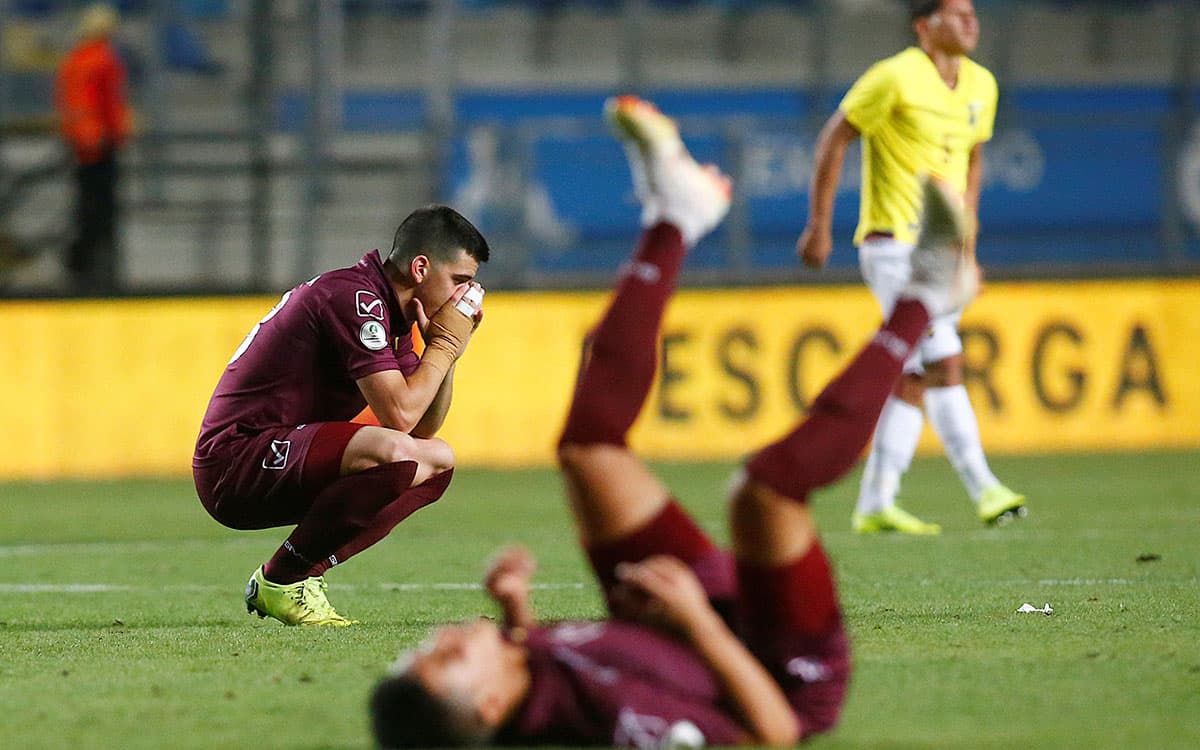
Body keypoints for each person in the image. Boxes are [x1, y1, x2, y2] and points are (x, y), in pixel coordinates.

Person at [368, 96, 979, 748]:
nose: (444, 638)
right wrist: (698, 623)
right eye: (447, 660)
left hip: (674, 618)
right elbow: (772, 733)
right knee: (763, 492)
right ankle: (927, 295)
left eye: (423, 648)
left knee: (587, 450)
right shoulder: (614, 724)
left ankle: (676, 215)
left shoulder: (513, 701)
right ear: (488, 704)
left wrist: (517, 613)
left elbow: (535, 688)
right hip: (771, 667)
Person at [193, 205, 489, 626]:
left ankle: (294, 575)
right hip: (235, 460)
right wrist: (441, 349)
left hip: (279, 452)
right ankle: (283, 580)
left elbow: (423, 425)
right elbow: (400, 416)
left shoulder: (391, 317)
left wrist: (449, 353)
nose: (464, 294)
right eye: (459, 280)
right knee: (393, 451)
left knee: (437, 460)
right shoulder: (356, 299)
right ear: (421, 268)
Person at [797, 0, 1025, 534]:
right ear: (925, 26)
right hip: (894, 246)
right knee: (945, 358)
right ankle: (985, 487)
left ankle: (876, 502)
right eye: (956, 13)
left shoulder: (982, 85)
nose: (970, 22)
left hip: (943, 251)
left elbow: (971, 162)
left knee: (916, 373)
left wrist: (967, 248)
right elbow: (835, 136)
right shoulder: (893, 77)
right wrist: (819, 224)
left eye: (973, 13)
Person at [54, 3, 132, 295]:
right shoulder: (101, 59)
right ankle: (88, 266)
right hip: (99, 145)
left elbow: (74, 104)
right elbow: (105, 103)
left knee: (88, 208)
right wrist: (107, 134)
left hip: (84, 145)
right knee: (99, 211)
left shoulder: (75, 59)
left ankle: (82, 265)